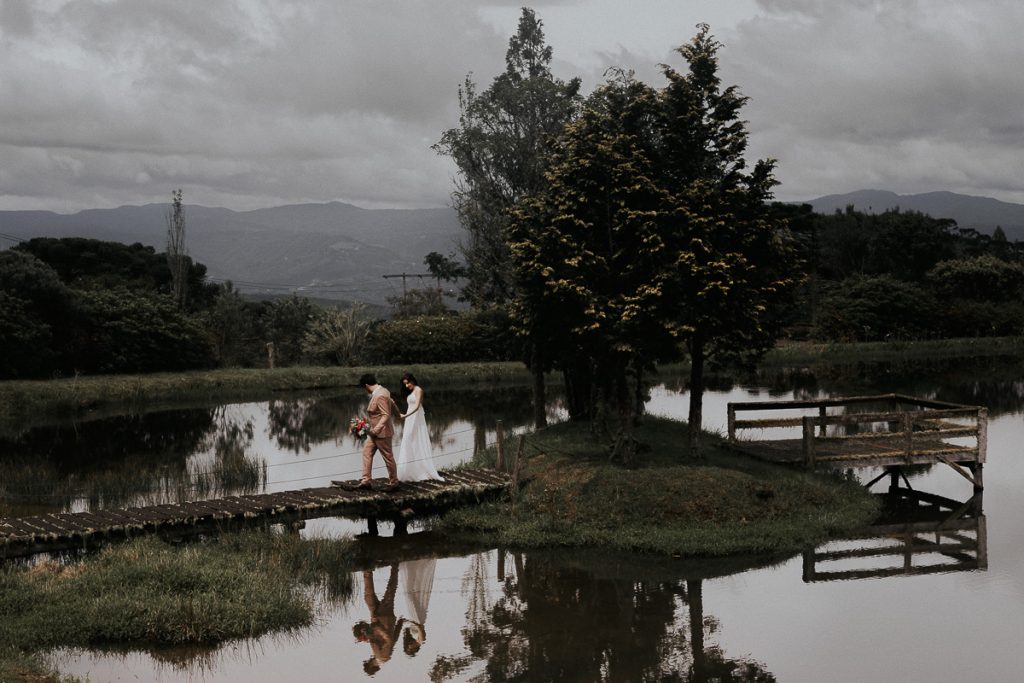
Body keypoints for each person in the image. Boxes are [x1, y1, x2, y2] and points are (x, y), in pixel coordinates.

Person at [347, 373, 399, 492]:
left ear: (366, 385)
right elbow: (392, 402)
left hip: (382, 432)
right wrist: (398, 413)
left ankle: (394, 483)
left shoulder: (380, 395)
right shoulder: (383, 390)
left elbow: (386, 415)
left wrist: (376, 430)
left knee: (388, 457)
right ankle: (366, 481)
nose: (365, 391)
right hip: (373, 433)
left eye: (364, 388)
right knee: (367, 452)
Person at [352, 565, 404, 675]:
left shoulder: (381, 656)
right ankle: (395, 566)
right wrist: (378, 628)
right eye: (368, 662)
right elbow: (389, 640)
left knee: (368, 597)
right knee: (390, 591)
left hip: (377, 618)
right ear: (371, 665)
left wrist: (400, 624)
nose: (369, 659)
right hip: (384, 619)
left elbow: (392, 640)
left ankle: (368, 570)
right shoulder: (383, 657)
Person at [396, 372, 443, 482]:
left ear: (412, 380)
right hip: (409, 418)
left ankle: (420, 470)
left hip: (416, 417)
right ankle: (409, 470)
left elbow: (417, 407)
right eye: (405, 384)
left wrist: (405, 415)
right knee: (408, 440)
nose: (406, 386)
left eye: (407, 383)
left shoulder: (418, 390)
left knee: (416, 440)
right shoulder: (411, 391)